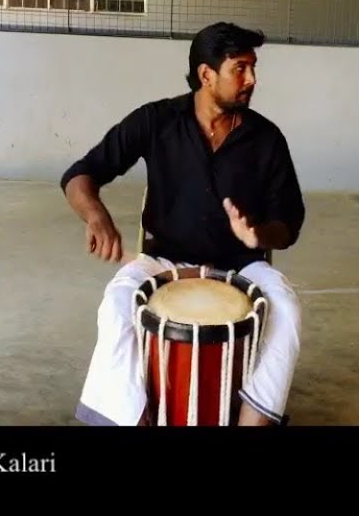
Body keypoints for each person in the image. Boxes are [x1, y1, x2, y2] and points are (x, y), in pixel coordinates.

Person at [63, 22, 306, 427]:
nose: (252, 79)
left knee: (286, 309)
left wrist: (259, 234)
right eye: (240, 68)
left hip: (241, 265)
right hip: (163, 261)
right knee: (116, 304)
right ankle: (133, 418)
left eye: (253, 68)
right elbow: (80, 174)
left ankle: (254, 419)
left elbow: (290, 222)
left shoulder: (267, 139)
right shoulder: (156, 120)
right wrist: (97, 217)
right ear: (206, 75)